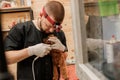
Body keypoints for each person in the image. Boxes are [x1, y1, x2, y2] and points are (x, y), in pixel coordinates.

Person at [4, 1, 67, 80]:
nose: (51, 30)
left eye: (54, 28)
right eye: (48, 25)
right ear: (41, 14)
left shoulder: (59, 33)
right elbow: (6, 58)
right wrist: (31, 51)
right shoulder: (21, 29)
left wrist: (62, 49)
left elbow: (64, 57)